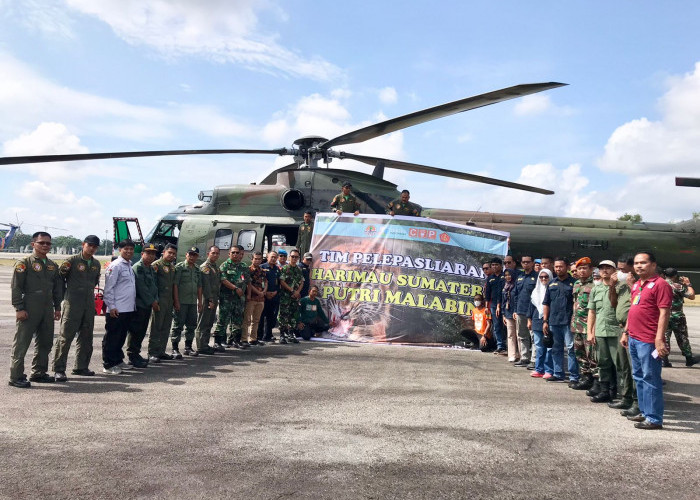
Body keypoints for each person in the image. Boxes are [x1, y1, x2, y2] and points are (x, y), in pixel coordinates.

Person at [620, 251, 672, 430]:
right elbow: (633, 309)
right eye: (636, 263)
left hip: (649, 340)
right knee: (639, 377)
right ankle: (644, 411)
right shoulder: (637, 285)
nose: (638, 266)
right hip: (634, 338)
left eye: (643, 263)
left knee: (650, 378)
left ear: (653, 265)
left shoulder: (661, 285)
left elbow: (664, 313)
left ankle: (654, 418)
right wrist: (626, 332)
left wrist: (659, 339)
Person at [9, 231, 63, 388]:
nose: (45, 245)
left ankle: (39, 372)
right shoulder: (24, 263)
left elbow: (56, 289)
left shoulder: (52, 266)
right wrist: (19, 308)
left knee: (45, 342)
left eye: (48, 243)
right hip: (29, 307)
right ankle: (15, 376)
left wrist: (57, 307)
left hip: (47, 308)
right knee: (21, 342)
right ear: (33, 244)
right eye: (42, 243)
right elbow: (16, 287)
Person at [52, 234, 101, 381]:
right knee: (65, 337)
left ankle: (81, 367)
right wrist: (59, 300)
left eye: (94, 246)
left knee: (86, 337)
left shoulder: (96, 264)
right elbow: (60, 279)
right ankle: (59, 369)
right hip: (72, 303)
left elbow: (95, 281)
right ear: (83, 244)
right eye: (89, 245)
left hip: (88, 304)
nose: (92, 248)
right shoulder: (71, 261)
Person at [587, 260, 623, 403]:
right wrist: (590, 332)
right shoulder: (596, 288)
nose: (604, 270)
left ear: (615, 270)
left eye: (608, 268)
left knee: (619, 363)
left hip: (616, 331)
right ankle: (605, 390)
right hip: (600, 331)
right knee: (602, 362)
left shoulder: (621, 287)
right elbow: (592, 312)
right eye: (602, 268)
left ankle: (621, 392)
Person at [102, 239, 137, 375]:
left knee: (121, 336)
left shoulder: (128, 265)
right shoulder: (115, 266)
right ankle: (108, 364)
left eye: (131, 249)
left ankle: (117, 360)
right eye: (125, 249)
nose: (128, 251)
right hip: (116, 309)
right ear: (120, 250)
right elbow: (109, 288)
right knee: (112, 337)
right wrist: (111, 306)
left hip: (127, 308)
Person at [542, 258, 576, 384]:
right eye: (556, 267)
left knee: (571, 349)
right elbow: (546, 304)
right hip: (554, 322)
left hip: (568, 322)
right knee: (556, 349)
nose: (558, 269)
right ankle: (558, 373)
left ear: (567, 267)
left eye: (561, 266)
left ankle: (574, 376)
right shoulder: (551, 284)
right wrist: (545, 321)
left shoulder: (574, 283)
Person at [125, 243, 159, 368]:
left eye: (153, 254)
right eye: (148, 253)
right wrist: (152, 301)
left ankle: (136, 353)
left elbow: (154, 286)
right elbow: (141, 288)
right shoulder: (138, 267)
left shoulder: (150, 268)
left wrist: (156, 299)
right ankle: (132, 355)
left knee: (142, 331)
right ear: (142, 254)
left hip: (147, 305)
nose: (151, 256)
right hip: (139, 305)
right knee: (135, 330)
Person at [148, 243, 178, 363]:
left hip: (169, 302)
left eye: (173, 254)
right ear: (163, 252)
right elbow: (152, 285)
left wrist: (175, 301)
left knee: (166, 327)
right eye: (169, 252)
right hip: (159, 301)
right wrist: (154, 300)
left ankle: (161, 351)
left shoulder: (172, 267)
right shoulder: (156, 265)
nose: (171, 255)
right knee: (156, 327)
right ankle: (152, 353)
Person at [570, 257, 597, 391]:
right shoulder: (576, 284)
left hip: (588, 326)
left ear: (591, 270)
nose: (582, 271)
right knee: (580, 354)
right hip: (577, 325)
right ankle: (585, 378)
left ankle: (596, 382)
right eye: (579, 268)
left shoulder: (595, 285)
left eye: (585, 268)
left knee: (592, 355)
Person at [215, 245, 249, 349]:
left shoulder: (244, 266)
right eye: (233, 252)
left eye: (237, 253)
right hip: (227, 298)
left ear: (240, 254)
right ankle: (218, 341)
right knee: (223, 320)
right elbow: (223, 280)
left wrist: (247, 295)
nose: (235, 254)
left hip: (239, 299)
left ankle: (235, 340)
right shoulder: (224, 265)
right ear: (229, 254)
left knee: (238, 320)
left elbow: (247, 281)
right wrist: (235, 288)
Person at [171, 246, 203, 357]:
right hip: (182, 301)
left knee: (191, 326)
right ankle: (175, 349)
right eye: (190, 254)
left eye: (194, 255)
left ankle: (188, 347)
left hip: (192, 302)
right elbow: (175, 285)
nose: (192, 257)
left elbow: (199, 286)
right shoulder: (179, 267)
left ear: (197, 257)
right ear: (186, 255)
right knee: (178, 325)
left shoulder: (197, 269)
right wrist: (176, 301)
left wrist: (200, 302)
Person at [661, 268, 696, 367]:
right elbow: (692, 296)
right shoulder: (677, 286)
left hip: (664, 315)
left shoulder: (660, 284)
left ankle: (664, 359)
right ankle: (689, 358)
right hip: (677, 316)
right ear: (675, 275)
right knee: (682, 337)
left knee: (665, 337)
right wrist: (688, 284)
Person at [528, 268, 554, 378]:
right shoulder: (536, 291)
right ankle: (539, 369)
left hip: (550, 321)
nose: (543, 279)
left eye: (546, 277)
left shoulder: (553, 289)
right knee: (539, 346)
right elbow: (531, 307)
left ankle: (549, 370)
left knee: (549, 347)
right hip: (537, 320)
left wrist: (547, 320)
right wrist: (529, 320)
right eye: (541, 277)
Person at [512, 254, 537, 367]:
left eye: (528, 262)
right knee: (522, 335)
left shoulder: (537, 277)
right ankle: (524, 357)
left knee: (533, 336)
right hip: (520, 310)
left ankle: (534, 360)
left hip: (532, 311)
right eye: (523, 262)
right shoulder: (520, 276)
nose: (525, 264)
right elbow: (516, 294)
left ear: (532, 263)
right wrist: (515, 310)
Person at [195, 246, 221, 354]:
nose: (215, 255)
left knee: (210, 323)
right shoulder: (205, 267)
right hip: (207, 299)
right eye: (213, 253)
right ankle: (201, 346)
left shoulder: (215, 267)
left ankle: (205, 344)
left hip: (214, 298)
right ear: (208, 254)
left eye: (217, 253)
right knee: (203, 323)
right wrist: (210, 299)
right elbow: (205, 285)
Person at [278, 249, 304, 343]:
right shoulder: (285, 268)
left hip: (295, 297)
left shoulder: (299, 269)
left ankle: (290, 334)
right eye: (292, 256)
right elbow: (282, 281)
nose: (294, 258)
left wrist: (297, 292)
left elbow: (302, 282)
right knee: (283, 316)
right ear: (289, 257)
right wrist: (292, 290)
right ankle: (282, 335)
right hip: (286, 296)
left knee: (293, 316)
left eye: (296, 257)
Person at [241, 251, 267, 346]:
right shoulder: (248, 270)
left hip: (260, 299)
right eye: (255, 258)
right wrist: (258, 292)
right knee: (246, 320)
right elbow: (249, 284)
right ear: (252, 259)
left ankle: (253, 338)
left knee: (256, 320)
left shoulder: (262, 271)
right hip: (251, 298)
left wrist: (264, 292)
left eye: (259, 259)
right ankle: (244, 339)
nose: (257, 260)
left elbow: (265, 282)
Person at [258, 251, 281, 343]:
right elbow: (259, 282)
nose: (273, 259)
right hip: (263, 296)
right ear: (267, 257)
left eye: (275, 257)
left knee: (271, 317)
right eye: (272, 257)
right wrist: (265, 293)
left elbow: (280, 282)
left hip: (274, 296)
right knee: (260, 317)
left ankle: (268, 335)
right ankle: (259, 336)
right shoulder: (262, 267)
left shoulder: (277, 269)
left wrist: (275, 292)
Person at [486, 257, 506, 354]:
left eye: (496, 265)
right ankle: (500, 345)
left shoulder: (505, 276)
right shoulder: (490, 278)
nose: (494, 267)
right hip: (493, 305)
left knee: (507, 325)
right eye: (493, 265)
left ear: (501, 266)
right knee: (497, 325)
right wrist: (486, 306)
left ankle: (508, 345)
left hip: (505, 304)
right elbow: (487, 294)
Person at [499, 269, 519, 362]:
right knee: (510, 334)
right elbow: (503, 301)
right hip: (507, 312)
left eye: (509, 275)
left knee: (519, 334)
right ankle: (512, 354)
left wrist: (516, 310)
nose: (508, 277)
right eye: (506, 275)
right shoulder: (504, 287)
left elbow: (517, 299)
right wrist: (503, 314)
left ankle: (521, 354)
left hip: (516, 312)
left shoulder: (517, 285)